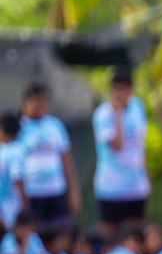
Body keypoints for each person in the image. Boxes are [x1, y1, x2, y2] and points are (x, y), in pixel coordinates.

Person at [92, 68, 151, 236]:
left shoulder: (138, 107)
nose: (120, 93)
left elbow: (140, 146)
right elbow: (117, 145)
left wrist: (146, 177)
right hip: (112, 187)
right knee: (109, 237)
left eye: (124, 89)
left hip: (136, 185)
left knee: (135, 235)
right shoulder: (102, 114)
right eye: (117, 89)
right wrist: (118, 115)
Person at [18, 83, 81, 233]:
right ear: (27, 102)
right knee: (35, 234)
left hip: (56, 190)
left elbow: (67, 160)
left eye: (45, 101)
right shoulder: (18, 127)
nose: (41, 105)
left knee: (61, 233)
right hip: (32, 193)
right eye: (37, 100)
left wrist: (74, 191)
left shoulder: (55, 125)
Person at [0, 113, 26, 232]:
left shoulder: (15, 151)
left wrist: (25, 206)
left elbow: (18, 180)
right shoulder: (8, 149)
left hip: (13, 206)